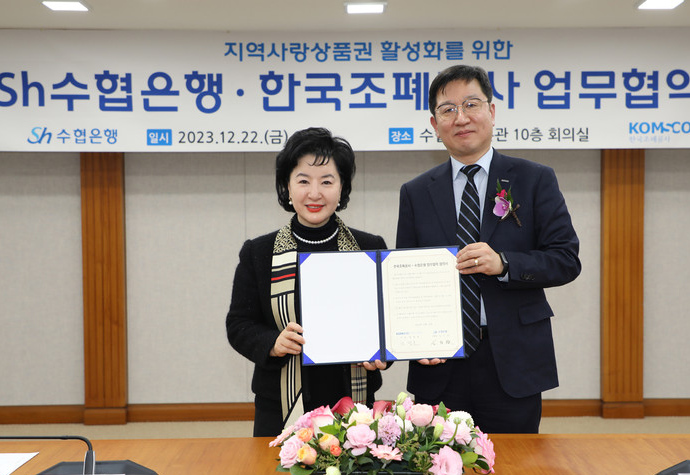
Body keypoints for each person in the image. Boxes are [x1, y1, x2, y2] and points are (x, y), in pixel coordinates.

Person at [395, 65, 581, 433]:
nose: (461, 118)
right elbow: (405, 277)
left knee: (517, 464)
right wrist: (415, 340)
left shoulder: (534, 179)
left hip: (513, 358)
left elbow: (565, 259)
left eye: (471, 104)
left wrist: (504, 263)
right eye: (448, 109)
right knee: (438, 461)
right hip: (440, 362)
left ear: (491, 112)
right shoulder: (415, 192)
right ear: (434, 124)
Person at [227, 127, 387, 437]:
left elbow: (385, 322)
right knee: (275, 472)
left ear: (342, 188)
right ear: (287, 187)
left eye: (327, 181)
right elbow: (238, 324)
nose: (315, 193)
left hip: (353, 404)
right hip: (279, 405)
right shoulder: (259, 252)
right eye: (303, 181)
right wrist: (273, 342)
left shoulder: (370, 248)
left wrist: (382, 352)